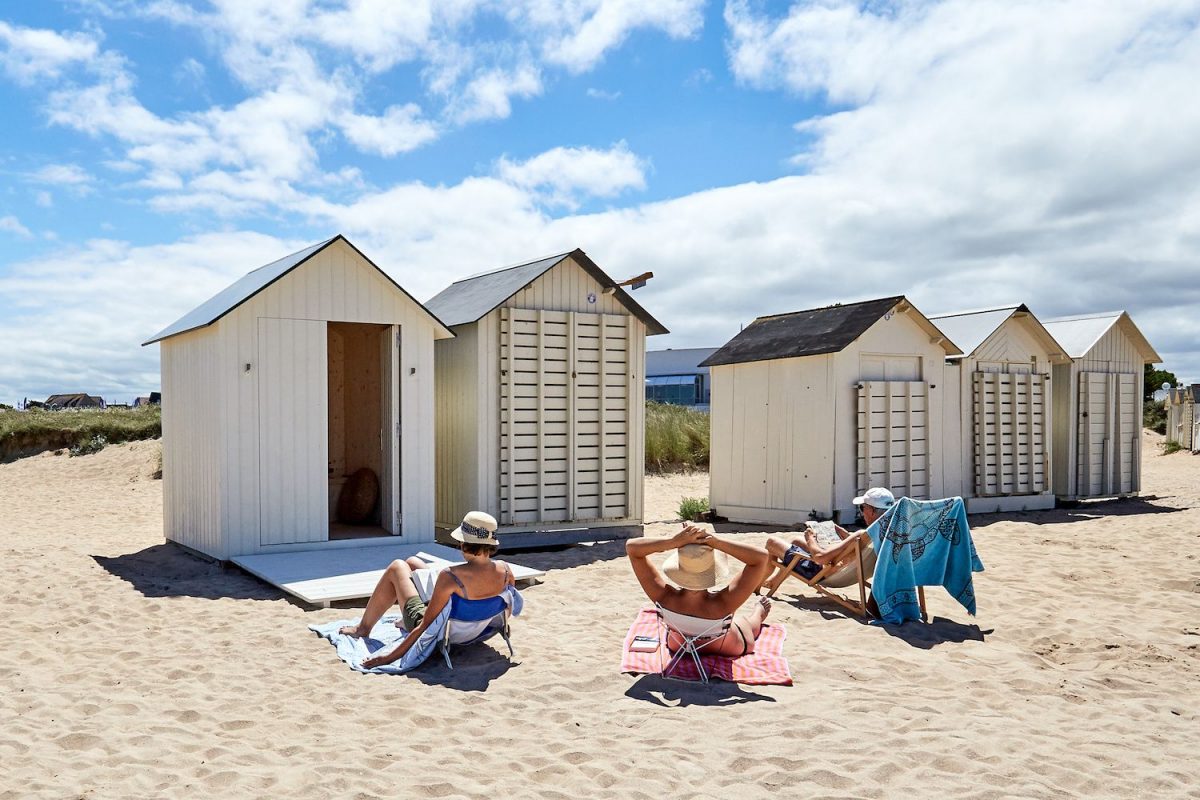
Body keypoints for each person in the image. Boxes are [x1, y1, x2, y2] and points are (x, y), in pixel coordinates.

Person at [338, 511, 515, 670]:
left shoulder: (451, 576)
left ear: (464, 543)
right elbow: (507, 609)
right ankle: (403, 616)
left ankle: (363, 629)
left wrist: (389, 657)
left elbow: (425, 626)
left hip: (445, 632)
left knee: (398, 567)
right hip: (474, 628)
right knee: (413, 562)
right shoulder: (505, 570)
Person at [625, 525, 774, 657]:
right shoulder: (724, 603)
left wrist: (673, 541)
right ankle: (758, 613)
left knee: (687, 628)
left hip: (679, 647)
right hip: (727, 648)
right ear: (712, 568)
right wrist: (716, 542)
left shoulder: (663, 596)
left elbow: (632, 548)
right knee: (743, 623)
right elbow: (761, 558)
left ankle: (756, 614)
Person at [765, 487, 896, 580]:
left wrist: (811, 538)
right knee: (796, 542)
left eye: (863, 508)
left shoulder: (862, 534)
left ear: (872, 511)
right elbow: (862, 548)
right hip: (845, 572)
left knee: (771, 542)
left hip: (821, 571)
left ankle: (757, 582)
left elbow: (820, 558)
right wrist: (846, 535)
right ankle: (774, 581)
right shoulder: (887, 534)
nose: (862, 512)